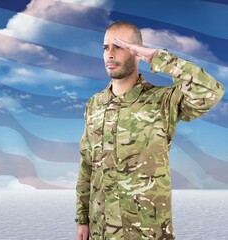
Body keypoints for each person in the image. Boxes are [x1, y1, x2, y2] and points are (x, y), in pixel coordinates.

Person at [75, 21, 225, 239]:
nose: (110, 54)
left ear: (137, 52)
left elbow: (210, 91)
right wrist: (82, 219)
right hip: (101, 230)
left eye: (119, 46)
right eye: (106, 47)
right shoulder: (95, 104)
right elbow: (86, 165)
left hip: (148, 232)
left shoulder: (163, 101)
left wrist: (157, 57)